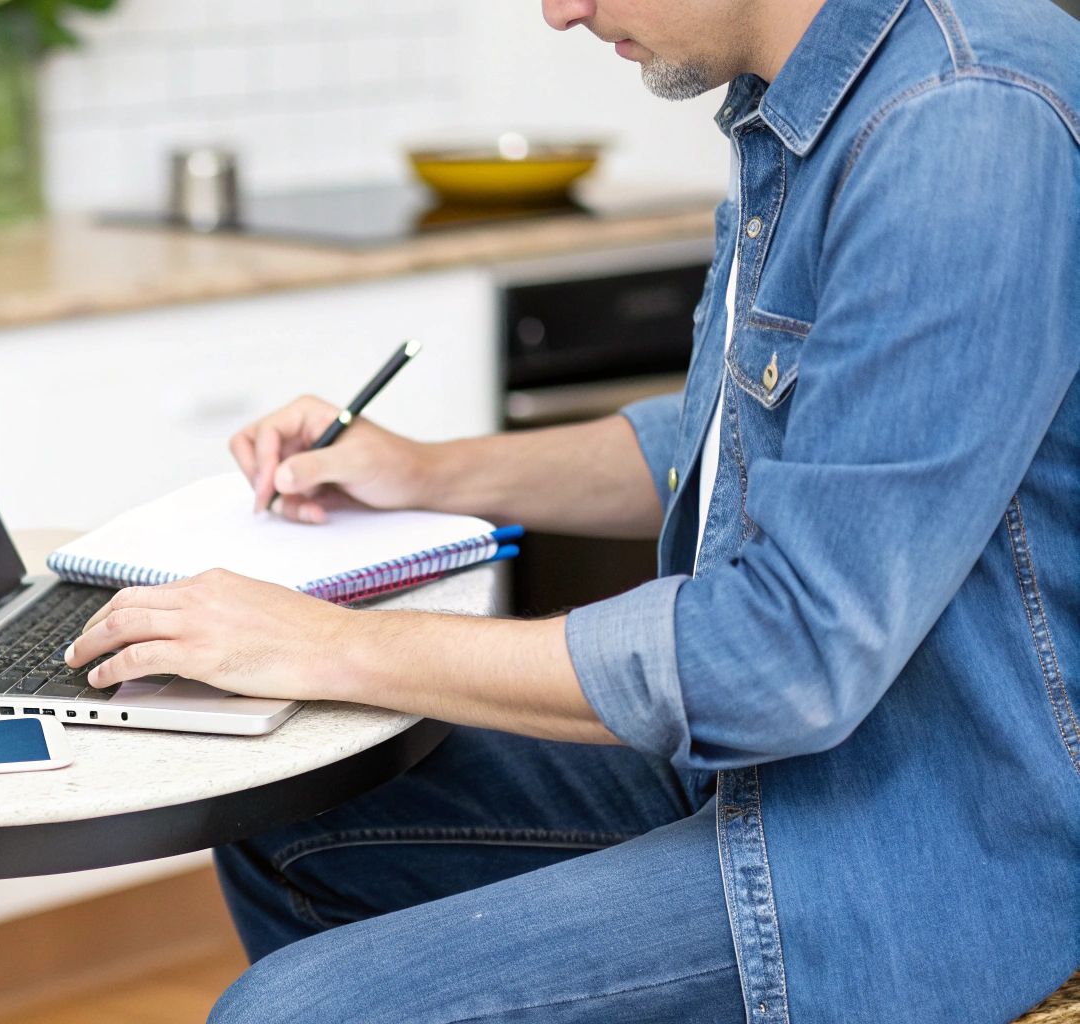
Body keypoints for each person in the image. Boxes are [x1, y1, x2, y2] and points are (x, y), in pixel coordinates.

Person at [63, 0, 1080, 1019]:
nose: (558, 11)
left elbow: (783, 656)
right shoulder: (805, 102)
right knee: (291, 805)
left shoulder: (960, 122)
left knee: (286, 1011)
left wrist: (323, 646)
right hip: (795, 773)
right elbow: (722, 441)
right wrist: (421, 471)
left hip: (932, 841)